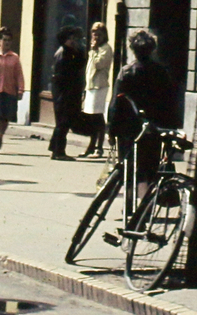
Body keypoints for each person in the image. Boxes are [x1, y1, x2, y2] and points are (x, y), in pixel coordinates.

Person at [107, 29, 181, 189]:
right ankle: (145, 205)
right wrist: (170, 129)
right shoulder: (161, 72)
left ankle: (129, 203)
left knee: (128, 168)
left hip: (128, 128)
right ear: (153, 49)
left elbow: (116, 104)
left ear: (132, 49)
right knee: (149, 168)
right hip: (152, 127)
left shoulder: (126, 72)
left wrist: (111, 130)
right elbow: (169, 102)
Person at [48, 26, 87, 161]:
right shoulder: (63, 53)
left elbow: (80, 63)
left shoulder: (71, 51)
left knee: (63, 122)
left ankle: (55, 148)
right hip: (63, 93)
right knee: (63, 122)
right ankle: (59, 151)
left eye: (74, 38)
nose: (72, 41)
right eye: (70, 39)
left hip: (68, 92)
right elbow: (61, 75)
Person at [80, 22, 113, 158]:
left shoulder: (105, 48)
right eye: (94, 33)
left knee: (97, 116)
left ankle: (98, 147)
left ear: (104, 35)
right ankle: (91, 146)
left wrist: (94, 51)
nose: (95, 36)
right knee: (91, 117)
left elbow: (99, 64)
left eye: (98, 34)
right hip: (90, 86)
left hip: (99, 86)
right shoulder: (95, 48)